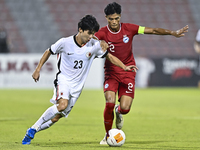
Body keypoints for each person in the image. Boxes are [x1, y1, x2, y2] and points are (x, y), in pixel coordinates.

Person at [21, 15, 138, 145]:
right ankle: (34, 128)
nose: (91, 37)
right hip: (64, 80)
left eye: (93, 34)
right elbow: (49, 51)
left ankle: (30, 133)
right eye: (89, 33)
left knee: (55, 118)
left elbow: (109, 57)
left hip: (77, 88)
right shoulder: (65, 43)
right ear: (80, 30)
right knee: (62, 105)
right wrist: (38, 69)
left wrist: (124, 67)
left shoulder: (94, 45)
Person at [94, 2, 189, 144]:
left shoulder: (129, 28)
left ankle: (118, 112)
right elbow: (88, 40)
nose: (114, 22)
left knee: (125, 108)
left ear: (120, 16)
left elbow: (154, 31)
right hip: (111, 72)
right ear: (106, 18)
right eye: (110, 19)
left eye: (116, 18)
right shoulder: (101, 33)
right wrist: (97, 42)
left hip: (128, 71)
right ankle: (108, 135)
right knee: (109, 102)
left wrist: (172, 33)